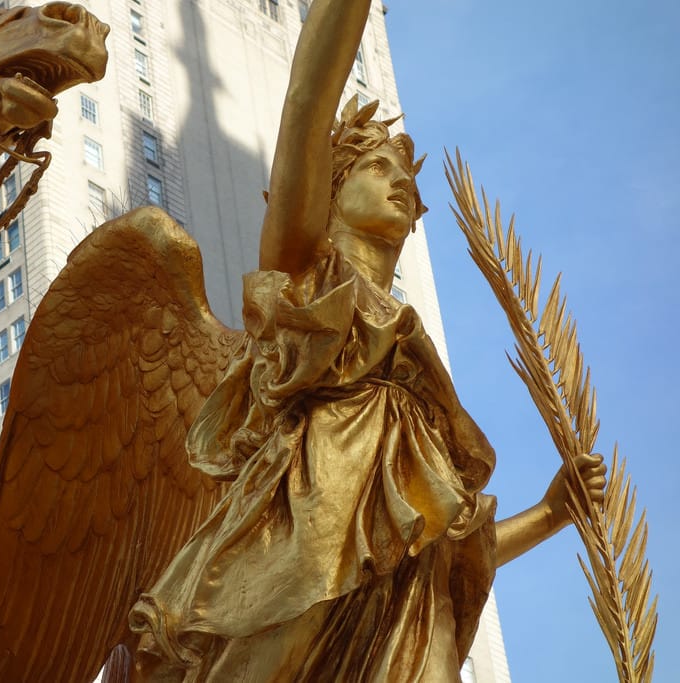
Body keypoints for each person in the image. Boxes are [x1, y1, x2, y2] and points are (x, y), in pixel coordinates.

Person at [128, 0, 606, 680]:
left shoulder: (415, 381)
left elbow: (445, 550)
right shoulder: (304, 279)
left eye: (407, 175)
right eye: (379, 165)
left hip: (404, 632)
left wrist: (553, 513)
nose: (403, 180)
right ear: (330, 183)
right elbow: (306, 100)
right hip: (285, 595)